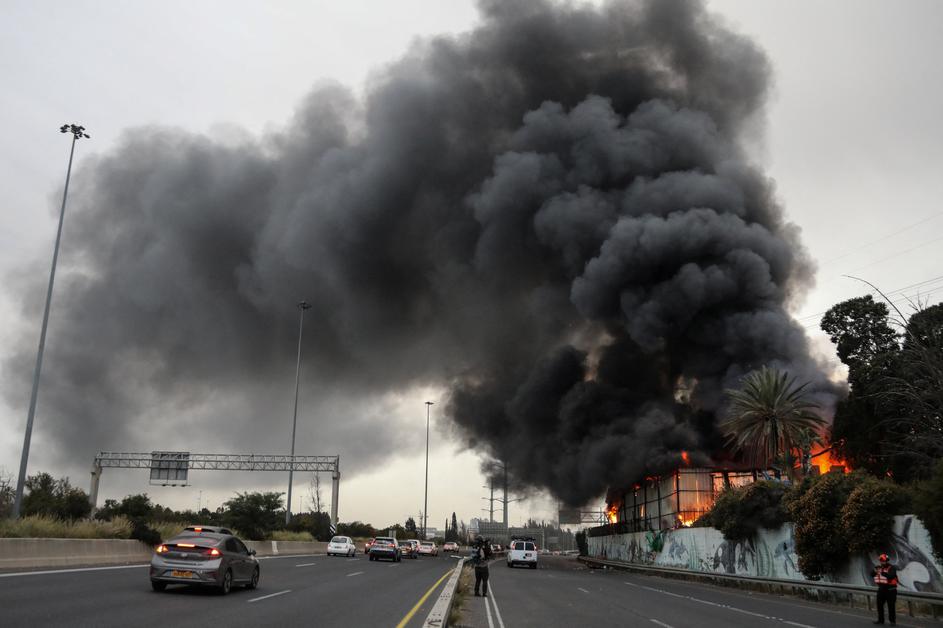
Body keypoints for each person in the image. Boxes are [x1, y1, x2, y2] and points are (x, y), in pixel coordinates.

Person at [872, 553, 898, 625]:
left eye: (883, 561)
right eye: (881, 561)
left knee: (891, 606)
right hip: (881, 589)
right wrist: (874, 571)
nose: (882, 562)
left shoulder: (892, 568)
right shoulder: (879, 568)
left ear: (887, 561)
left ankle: (892, 621)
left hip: (891, 590)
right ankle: (880, 620)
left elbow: (891, 576)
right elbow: (872, 574)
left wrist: (882, 572)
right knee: (879, 605)